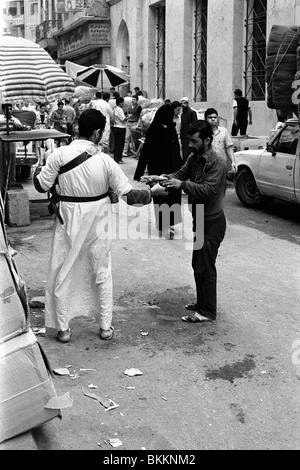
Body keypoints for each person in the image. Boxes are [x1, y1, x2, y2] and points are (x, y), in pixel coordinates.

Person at [33, 108, 166, 344]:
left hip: (67, 221)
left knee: (64, 269)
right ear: (96, 133)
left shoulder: (58, 155)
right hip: (98, 222)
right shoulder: (106, 162)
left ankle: (63, 329)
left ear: (77, 129)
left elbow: (41, 186)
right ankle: (105, 327)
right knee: (101, 272)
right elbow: (130, 197)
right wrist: (152, 192)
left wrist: (37, 169)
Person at [151, 121, 227, 323]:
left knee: (206, 265)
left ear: (207, 140)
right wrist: (161, 178)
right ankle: (203, 302)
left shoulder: (217, 160)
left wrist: (182, 185)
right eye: (189, 141)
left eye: (194, 141)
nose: (190, 145)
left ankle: (208, 311)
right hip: (200, 218)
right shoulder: (195, 156)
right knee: (198, 263)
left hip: (212, 221)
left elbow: (209, 190)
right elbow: (180, 174)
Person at [134, 104, 182, 239]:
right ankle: (164, 225)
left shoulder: (171, 129)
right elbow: (146, 152)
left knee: (173, 196)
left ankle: (170, 224)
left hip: (173, 169)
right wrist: (139, 172)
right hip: (158, 169)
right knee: (162, 196)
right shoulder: (154, 130)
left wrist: (182, 168)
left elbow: (176, 150)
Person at [204, 107, 237, 177]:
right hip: (207, 166)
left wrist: (233, 161)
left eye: (215, 117)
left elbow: (229, 147)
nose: (213, 119)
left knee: (221, 186)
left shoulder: (223, 131)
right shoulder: (203, 132)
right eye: (210, 117)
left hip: (221, 166)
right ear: (206, 119)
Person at [0, 104, 24, 187]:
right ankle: (2, 184)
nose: (9, 111)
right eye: (7, 109)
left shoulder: (15, 120)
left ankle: (12, 183)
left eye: (11, 109)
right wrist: (3, 128)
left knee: (12, 165)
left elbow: (22, 131)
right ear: (3, 110)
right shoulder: (0, 119)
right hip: (1, 146)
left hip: (11, 145)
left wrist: (16, 127)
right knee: (1, 166)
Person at [112, 97, 130, 164]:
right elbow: (123, 119)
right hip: (121, 127)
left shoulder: (115, 109)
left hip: (116, 126)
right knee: (120, 144)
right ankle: (119, 159)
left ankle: (116, 158)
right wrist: (128, 117)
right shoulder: (120, 109)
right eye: (123, 102)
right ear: (120, 103)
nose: (123, 104)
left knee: (116, 144)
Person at [180, 97, 198, 162]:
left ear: (187, 104)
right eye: (181, 103)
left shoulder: (192, 112)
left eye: (184, 103)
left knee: (190, 153)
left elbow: (195, 124)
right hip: (184, 137)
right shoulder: (182, 114)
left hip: (190, 136)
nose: (183, 105)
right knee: (185, 153)